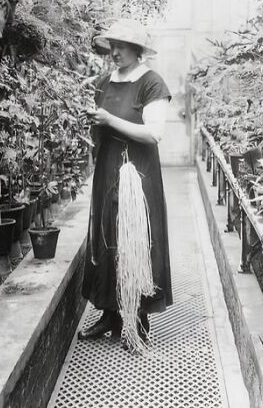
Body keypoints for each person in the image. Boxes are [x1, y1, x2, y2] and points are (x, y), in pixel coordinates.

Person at [79, 19, 173, 347]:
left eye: (121, 46)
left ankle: (135, 316)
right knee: (107, 239)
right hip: (108, 171)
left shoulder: (151, 83)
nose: (114, 52)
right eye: (112, 46)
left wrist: (110, 119)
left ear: (137, 50)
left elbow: (154, 133)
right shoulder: (104, 82)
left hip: (137, 174)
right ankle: (108, 312)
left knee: (134, 240)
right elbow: (101, 127)